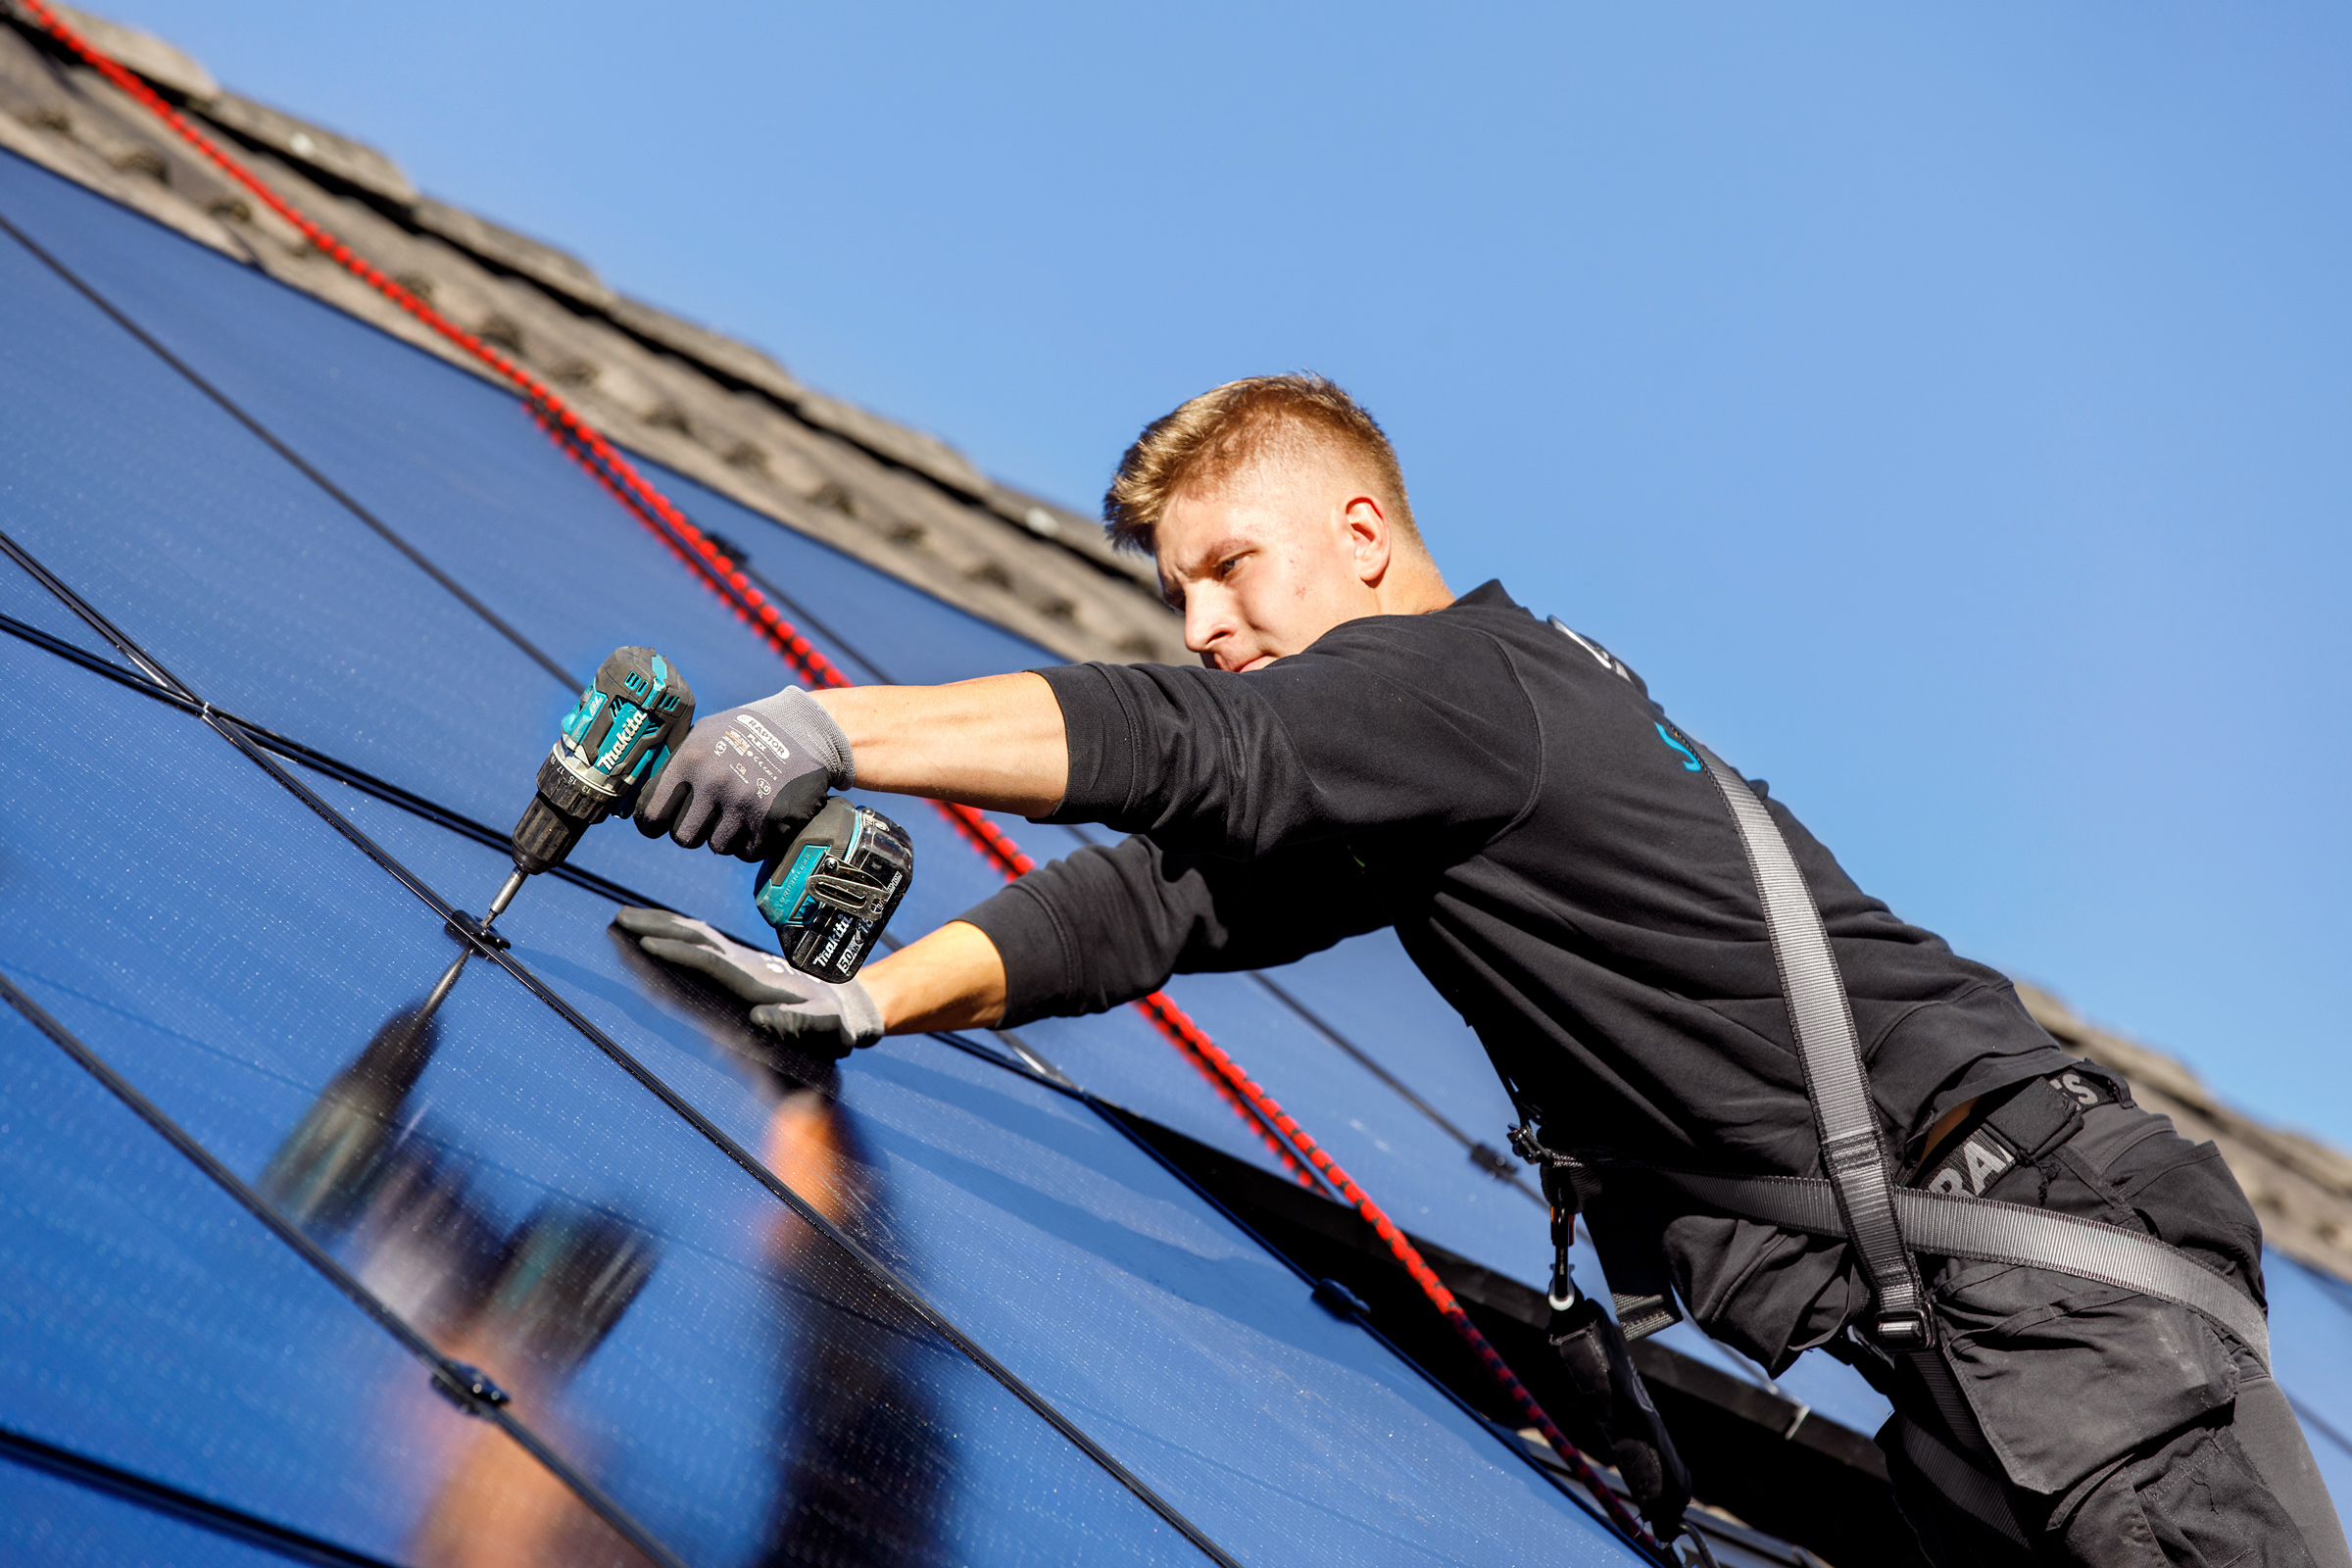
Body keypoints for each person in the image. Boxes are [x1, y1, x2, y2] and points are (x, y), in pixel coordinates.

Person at [616, 373, 2349, 1568]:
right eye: (1180, 591)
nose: (1207, 621)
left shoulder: (1456, 684)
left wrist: (822, 725)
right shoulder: (1442, 769)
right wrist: (869, 1002)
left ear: (1364, 536)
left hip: (2059, 1307)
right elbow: (1159, 906)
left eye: (1232, 566)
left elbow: (1189, 744)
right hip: (1987, 1339)